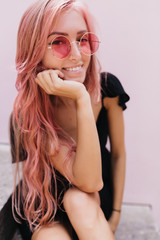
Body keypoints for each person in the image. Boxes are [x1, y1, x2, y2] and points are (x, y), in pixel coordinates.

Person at [0, 0, 130, 239]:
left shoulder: (107, 90)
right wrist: (80, 96)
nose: (77, 53)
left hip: (95, 192)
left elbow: (106, 167)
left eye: (82, 39)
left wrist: (116, 213)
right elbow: (82, 179)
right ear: (35, 51)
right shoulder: (30, 113)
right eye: (58, 42)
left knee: (79, 198)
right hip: (45, 196)